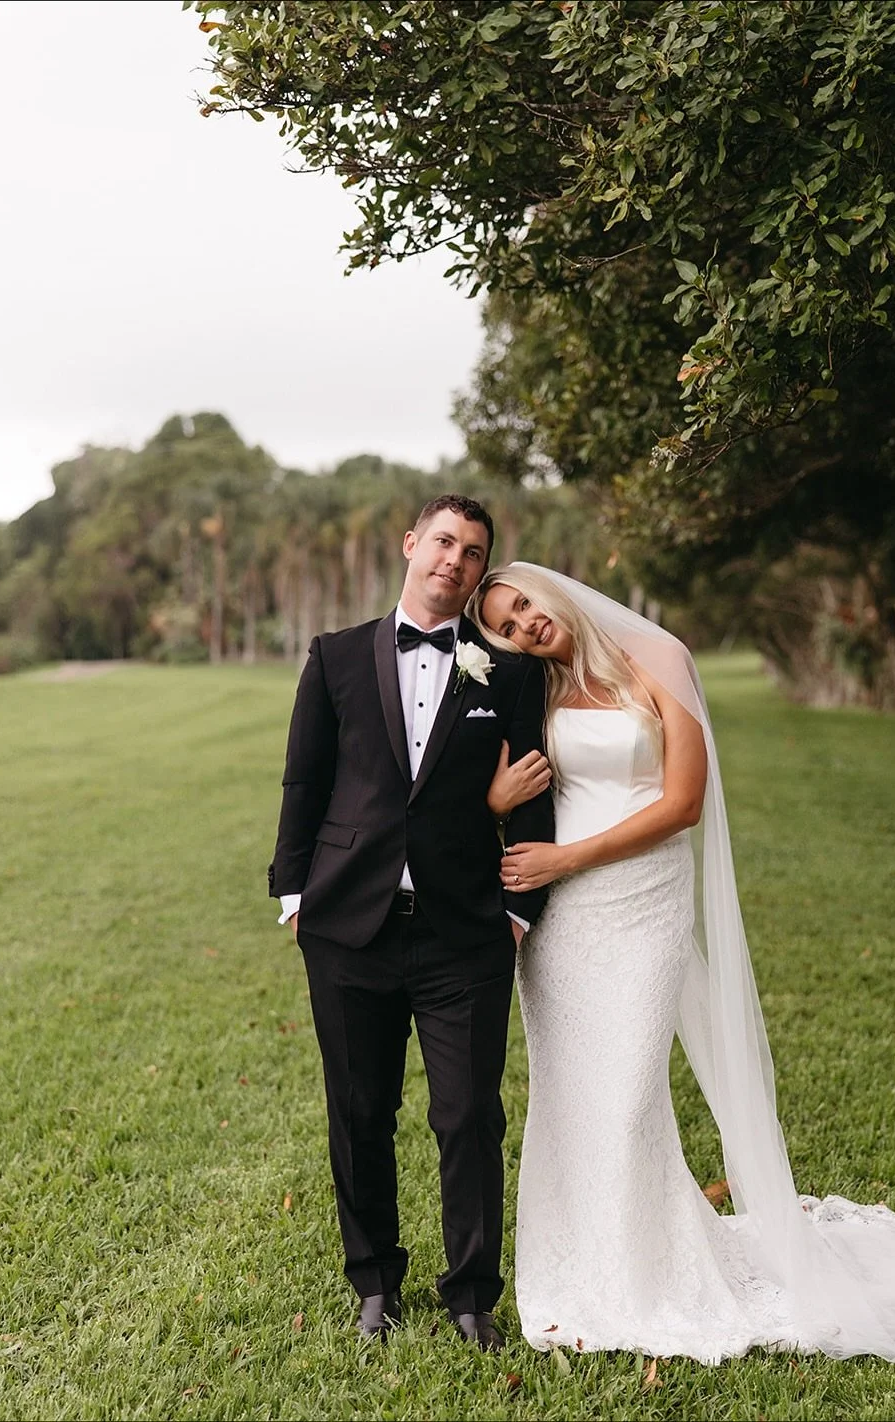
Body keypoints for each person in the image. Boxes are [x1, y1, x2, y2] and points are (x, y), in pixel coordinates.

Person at [469, 561, 895, 1365]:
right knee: (569, 1097)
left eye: (521, 605)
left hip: (638, 897)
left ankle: (650, 1277)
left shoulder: (659, 658)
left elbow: (682, 800)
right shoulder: (528, 688)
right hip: (561, 928)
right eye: (504, 629)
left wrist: (567, 858)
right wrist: (498, 807)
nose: (523, 626)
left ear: (549, 586)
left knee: (625, 1097)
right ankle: (580, 1270)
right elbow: (486, 788)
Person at [268, 498, 554, 1352]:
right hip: (347, 927)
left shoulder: (507, 672)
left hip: (463, 930)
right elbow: (302, 784)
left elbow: (533, 790)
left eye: (473, 553)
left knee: (468, 1115)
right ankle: (375, 1283)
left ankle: (471, 1295)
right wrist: (293, 896)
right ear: (410, 545)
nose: (454, 562)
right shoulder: (337, 656)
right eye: (443, 542)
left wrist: (514, 910)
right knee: (358, 1112)